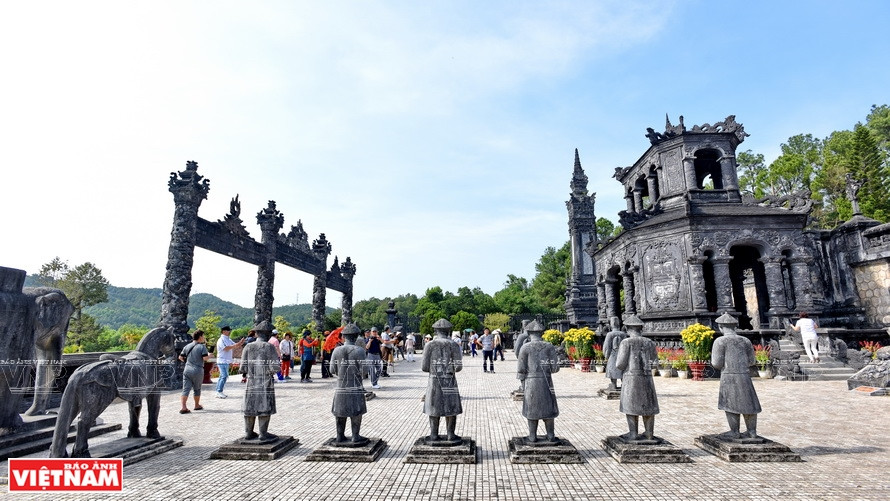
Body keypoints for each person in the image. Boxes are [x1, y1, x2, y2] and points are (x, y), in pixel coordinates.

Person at [712, 312, 762, 440]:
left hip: (728, 375)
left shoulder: (720, 341)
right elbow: (752, 361)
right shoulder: (745, 341)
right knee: (749, 402)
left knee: (730, 403)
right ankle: (752, 431)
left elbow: (716, 363)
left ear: (721, 327)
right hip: (745, 375)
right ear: (735, 326)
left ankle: (734, 431)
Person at [615, 315, 659, 441]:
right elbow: (655, 363)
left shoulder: (626, 343)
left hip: (631, 378)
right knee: (648, 406)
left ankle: (633, 433)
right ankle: (649, 433)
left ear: (627, 329)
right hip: (647, 378)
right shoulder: (650, 343)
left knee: (631, 405)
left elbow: (620, 364)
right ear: (641, 329)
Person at [517, 320, 560, 442]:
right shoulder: (549, 346)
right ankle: (550, 435)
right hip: (546, 381)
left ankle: (532, 436)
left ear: (529, 332)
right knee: (548, 408)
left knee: (532, 408)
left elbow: (521, 369)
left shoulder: (525, 347)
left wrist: (522, 382)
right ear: (542, 333)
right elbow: (555, 368)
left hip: (531, 382)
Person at [422, 319, 463, 442]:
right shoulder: (454, 345)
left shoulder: (429, 345)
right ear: (448, 331)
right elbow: (458, 367)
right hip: (449, 379)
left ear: (435, 330)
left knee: (433, 407)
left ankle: (434, 434)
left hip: (434, 380)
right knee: (451, 406)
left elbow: (424, 367)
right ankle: (451, 434)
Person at [330, 324, 368, 444]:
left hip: (341, 384)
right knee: (356, 410)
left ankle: (339, 435)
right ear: (356, 337)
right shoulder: (359, 351)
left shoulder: (337, 350)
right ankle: (355, 436)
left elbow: (332, 370)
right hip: (355, 384)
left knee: (340, 410)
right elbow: (364, 371)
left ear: (343, 336)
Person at [240, 328, 280, 441]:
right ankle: (263, 433)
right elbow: (275, 367)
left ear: (257, 334)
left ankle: (248, 432)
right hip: (265, 380)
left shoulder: (248, 346)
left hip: (251, 380)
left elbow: (243, 367)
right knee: (265, 405)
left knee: (250, 405)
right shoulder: (269, 347)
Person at [179, 330, 209, 414]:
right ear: (200, 337)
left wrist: (188, 361)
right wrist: (209, 355)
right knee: (197, 389)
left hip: (187, 369)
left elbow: (180, 357)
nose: (204, 338)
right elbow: (205, 358)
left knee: (185, 389)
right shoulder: (202, 347)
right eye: (203, 336)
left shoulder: (187, 346)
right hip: (198, 370)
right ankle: (196, 405)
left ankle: (183, 407)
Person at [216, 326, 245, 398]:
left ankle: (219, 391)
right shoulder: (221, 340)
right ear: (223, 331)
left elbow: (235, 346)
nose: (229, 332)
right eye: (228, 330)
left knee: (222, 376)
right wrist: (235, 345)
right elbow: (225, 348)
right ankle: (219, 391)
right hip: (222, 360)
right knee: (224, 376)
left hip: (226, 360)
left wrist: (240, 343)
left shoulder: (228, 339)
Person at [603, 317, 628, 391]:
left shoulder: (609, 334)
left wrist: (606, 355)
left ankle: (614, 385)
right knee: (622, 368)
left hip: (612, 354)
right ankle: (624, 384)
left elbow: (607, 346)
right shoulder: (623, 334)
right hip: (622, 354)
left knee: (612, 368)